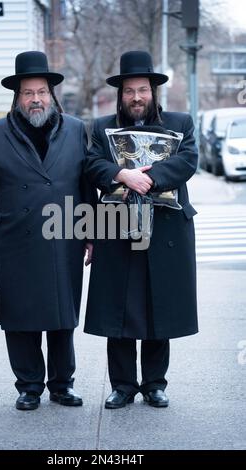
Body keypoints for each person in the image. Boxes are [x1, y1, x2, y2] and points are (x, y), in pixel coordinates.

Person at [0, 51, 96, 411]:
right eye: (28, 92)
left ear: (51, 95)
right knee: (20, 319)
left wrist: (91, 234)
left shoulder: (75, 129)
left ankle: (61, 384)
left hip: (64, 236)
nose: (36, 99)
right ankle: (28, 386)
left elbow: (86, 186)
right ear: (17, 97)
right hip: (15, 241)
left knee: (62, 317)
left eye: (41, 91)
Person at [84, 50, 198, 409]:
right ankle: (122, 385)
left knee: (158, 306)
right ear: (121, 94)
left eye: (143, 90)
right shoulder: (100, 128)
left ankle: (153, 384)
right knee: (118, 307)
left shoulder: (181, 123)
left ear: (153, 92)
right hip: (116, 228)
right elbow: (90, 164)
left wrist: (147, 179)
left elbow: (188, 160)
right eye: (130, 90)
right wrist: (121, 174)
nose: (136, 97)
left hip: (165, 230)